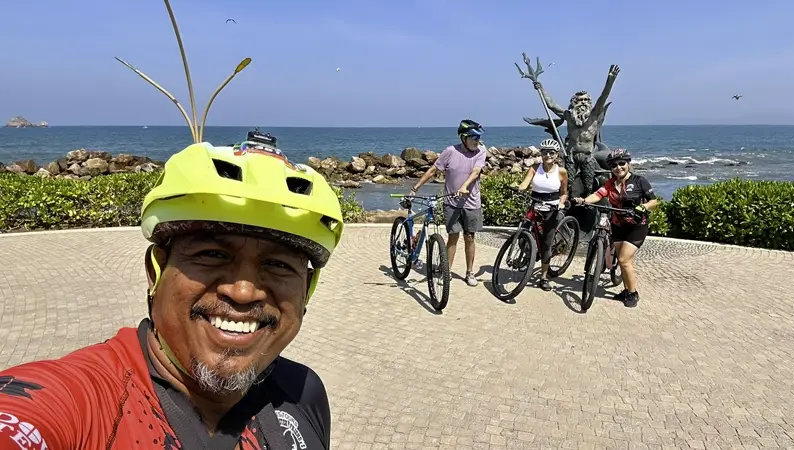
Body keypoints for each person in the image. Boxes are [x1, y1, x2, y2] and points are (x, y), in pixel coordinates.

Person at [0, 139, 344, 449]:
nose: (243, 292)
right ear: (155, 271)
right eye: (212, 255)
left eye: (278, 265)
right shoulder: (84, 400)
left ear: (307, 291)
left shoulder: (301, 394)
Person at [573, 148, 658, 308]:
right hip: (618, 226)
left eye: (622, 163)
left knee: (624, 260)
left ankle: (633, 293)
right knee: (624, 260)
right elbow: (598, 195)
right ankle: (626, 290)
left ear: (629, 164)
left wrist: (644, 207)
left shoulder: (640, 181)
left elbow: (653, 201)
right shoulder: (610, 183)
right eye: (614, 165)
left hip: (637, 227)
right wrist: (584, 200)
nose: (618, 167)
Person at [410, 119, 487, 287]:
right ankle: (447, 271)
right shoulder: (450, 151)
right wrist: (415, 188)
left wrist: (464, 186)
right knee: (453, 237)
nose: (477, 141)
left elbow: (476, 172)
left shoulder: (481, 151)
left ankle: (469, 272)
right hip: (451, 203)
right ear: (463, 138)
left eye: (478, 138)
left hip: (472, 203)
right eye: (473, 138)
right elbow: (433, 170)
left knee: (470, 237)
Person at [534, 64, 621, 198]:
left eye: (586, 100)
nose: (583, 102)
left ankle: (589, 207)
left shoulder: (593, 115)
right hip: (571, 156)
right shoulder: (568, 115)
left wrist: (610, 80)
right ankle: (566, 204)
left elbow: (603, 96)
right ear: (574, 102)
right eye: (580, 100)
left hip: (587, 156)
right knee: (567, 185)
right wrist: (540, 88)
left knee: (589, 186)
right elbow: (550, 104)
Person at [513, 139, 569, 291]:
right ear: (541, 153)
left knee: (546, 243)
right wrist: (519, 188)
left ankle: (543, 277)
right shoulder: (534, 168)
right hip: (535, 204)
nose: (548, 155)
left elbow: (564, 193)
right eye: (545, 152)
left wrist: (561, 203)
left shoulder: (561, 171)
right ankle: (529, 255)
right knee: (523, 232)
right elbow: (525, 183)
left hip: (552, 208)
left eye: (551, 152)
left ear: (556, 154)